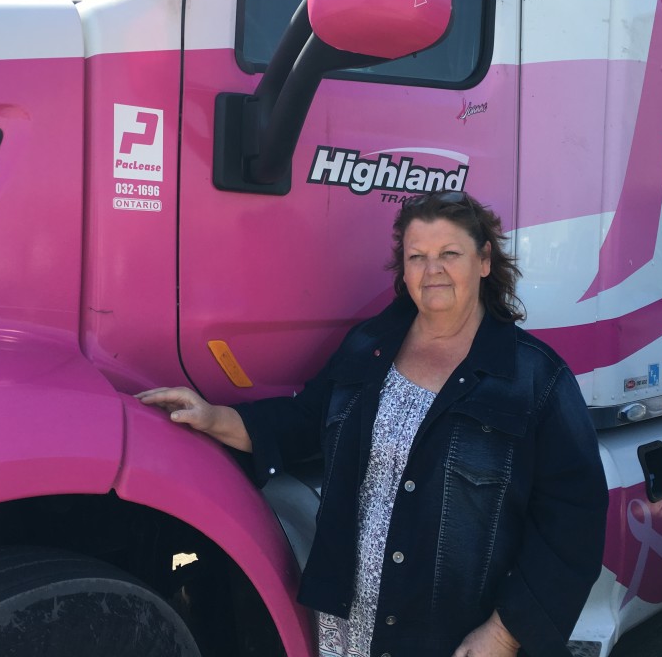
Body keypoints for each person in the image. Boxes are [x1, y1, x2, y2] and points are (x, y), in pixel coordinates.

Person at [137, 191, 608, 657]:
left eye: (450, 254)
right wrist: (214, 417)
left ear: (484, 260)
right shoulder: (370, 345)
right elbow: (306, 422)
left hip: (450, 632)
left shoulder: (535, 379)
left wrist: (505, 633)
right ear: (403, 269)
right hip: (350, 618)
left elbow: (573, 525)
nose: (433, 270)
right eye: (417, 256)